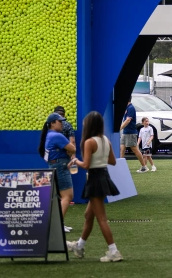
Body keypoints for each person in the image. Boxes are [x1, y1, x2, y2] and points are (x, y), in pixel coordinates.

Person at [67, 111, 123, 262]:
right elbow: (113, 161)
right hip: (104, 177)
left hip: (95, 179)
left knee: (102, 218)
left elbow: (85, 165)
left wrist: (74, 161)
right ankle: (79, 246)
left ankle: (114, 251)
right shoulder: (105, 140)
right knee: (88, 215)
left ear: (89, 125)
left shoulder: (89, 142)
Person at [39, 112, 77, 232]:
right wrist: (68, 151)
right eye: (59, 121)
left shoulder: (50, 135)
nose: (62, 123)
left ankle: (58, 223)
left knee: (61, 197)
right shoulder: (57, 136)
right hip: (60, 166)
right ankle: (58, 225)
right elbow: (73, 148)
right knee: (68, 196)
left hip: (55, 165)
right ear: (52, 123)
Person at [120, 98, 147, 173]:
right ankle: (122, 167)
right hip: (125, 132)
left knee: (135, 149)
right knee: (122, 149)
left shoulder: (131, 108)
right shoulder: (127, 108)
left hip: (130, 132)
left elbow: (128, 120)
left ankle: (144, 167)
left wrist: (120, 128)